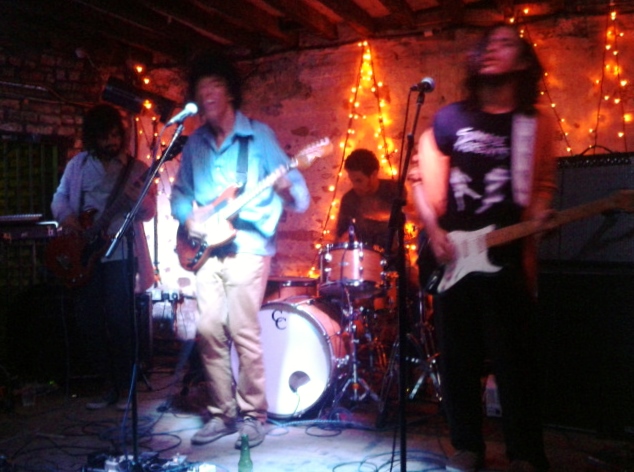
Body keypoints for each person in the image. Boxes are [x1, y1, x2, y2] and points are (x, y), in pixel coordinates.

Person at [408, 24, 557, 472]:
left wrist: (540, 217)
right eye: (487, 44)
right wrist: (433, 229)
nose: (491, 49)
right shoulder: (450, 118)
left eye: (505, 44)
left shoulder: (534, 123)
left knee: (516, 363)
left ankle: (525, 453)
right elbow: (419, 179)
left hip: (507, 258)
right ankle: (467, 446)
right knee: (458, 360)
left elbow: (543, 186)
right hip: (454, 257)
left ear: (524, 62)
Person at [170, 52, 310, 450]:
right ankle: (222, 413)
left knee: (243, 331)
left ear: (230, 92)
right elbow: (180, 195)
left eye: (215, 86)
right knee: (207, 329)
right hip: (205, 250)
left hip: (249, 246)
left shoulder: (258, 137)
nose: (207, 94)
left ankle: (253, 416)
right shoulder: (195, 143)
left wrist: (286, 188)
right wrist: (190, 218)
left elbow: (299, 195)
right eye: (201, 88)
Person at [51, 104, 156, 409]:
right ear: (93, 137)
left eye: (115, 135)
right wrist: (69, 219)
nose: (111, 142)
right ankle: (107, 385)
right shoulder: (78, 165)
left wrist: (140, 201)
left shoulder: (135, 169)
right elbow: (59, 198)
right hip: (85, 251)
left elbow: (150, 212)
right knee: (89, 321)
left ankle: (126, 388)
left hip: (120, 254)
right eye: (104, 136)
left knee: (121, 320)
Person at [335, 148, 400, 251]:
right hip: (362, 256)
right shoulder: (348, 200)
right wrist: (344, 239)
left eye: (359, 180)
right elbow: (341, 234)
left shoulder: (394, 190)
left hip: (393, 255)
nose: (355, 186)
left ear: (373, 174)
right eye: (352, 181)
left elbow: (410, 220)